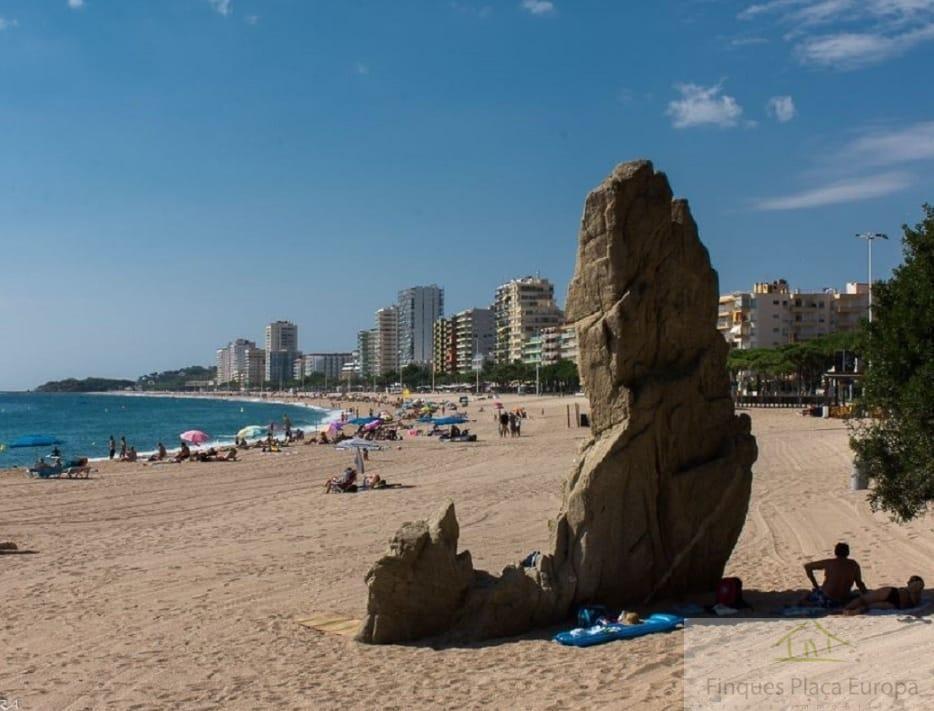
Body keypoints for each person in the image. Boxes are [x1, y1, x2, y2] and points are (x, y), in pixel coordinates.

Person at [799, 543, 867, 607]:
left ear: (835, 552)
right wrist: (866, 594)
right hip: (843, 599)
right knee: (856, 594)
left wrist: (815, 585)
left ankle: (806, 603)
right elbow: (859, 583)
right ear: (848, 553)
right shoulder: (854, 564)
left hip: (826, 599)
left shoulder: (829, 563)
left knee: (806, 594)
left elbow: (807, 566)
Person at [840, 576, 925, 615]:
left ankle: (846, 609)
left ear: (913, 581)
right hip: (896, 605)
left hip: (893, 593)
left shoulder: (917, 584)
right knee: (869, 606)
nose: (908, 582)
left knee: (864, 599)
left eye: (910, 580)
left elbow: (913, 589)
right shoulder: (917, 595)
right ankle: (855, 610)